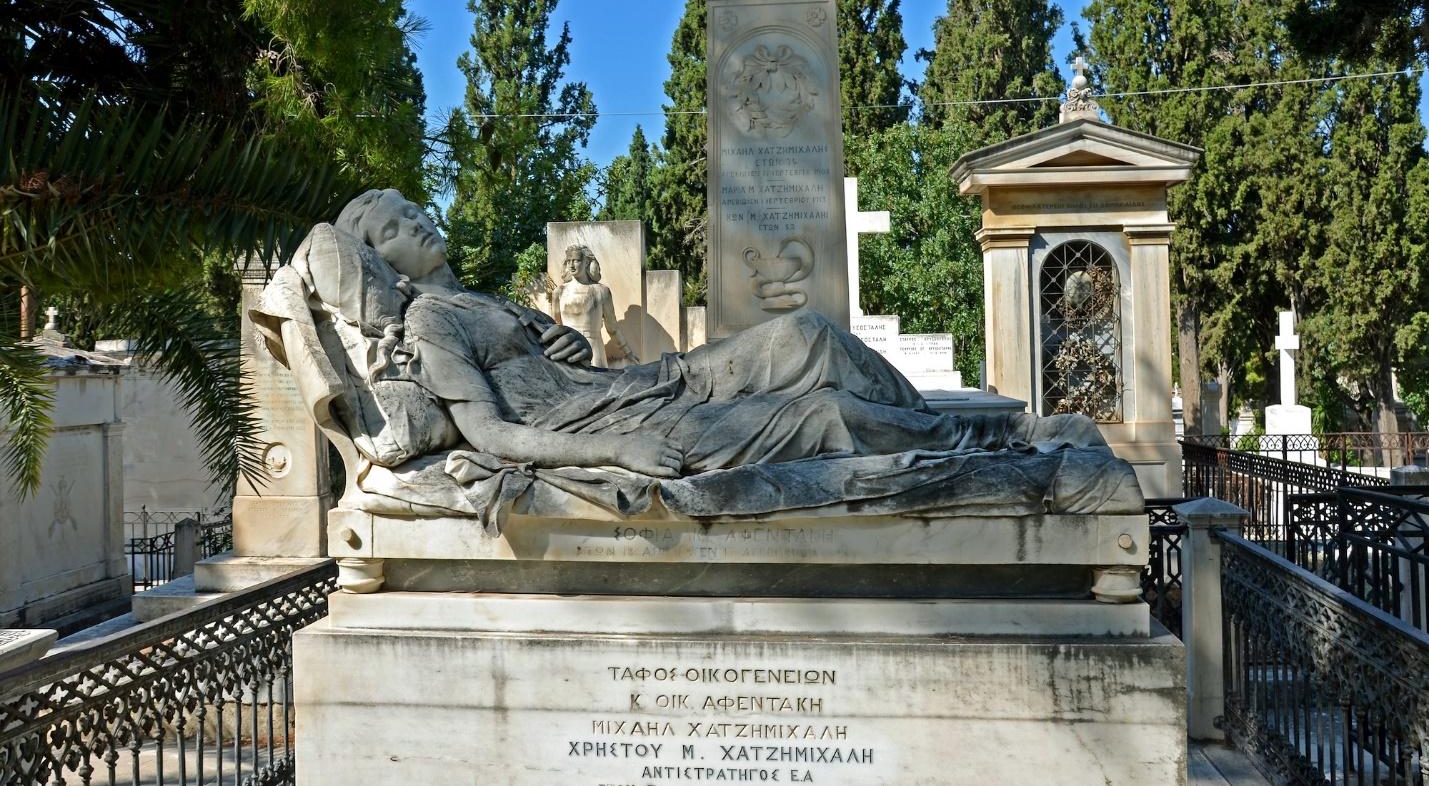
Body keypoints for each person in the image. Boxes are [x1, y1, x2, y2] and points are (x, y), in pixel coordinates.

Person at [326, 189, 1122, 489]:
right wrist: (617, 457)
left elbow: (554, 364)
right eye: (398, 226)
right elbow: (492, 431)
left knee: (810, 336)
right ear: (378, 258)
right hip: (619, 428)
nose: (421, 223)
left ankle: (986, 432)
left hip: (634, 386)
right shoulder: (431, 321)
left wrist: (558, 347)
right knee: (823, 416)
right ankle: (999, 450)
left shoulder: (481, 299)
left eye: (415, 209)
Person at [554, 245, 638, 368]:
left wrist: (628, 352)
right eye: (568, 261)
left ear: (587, 262)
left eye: (576, 260)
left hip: (593, 349)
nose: (571, 265)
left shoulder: (601, 291)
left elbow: (612, 328)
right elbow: (556, 325)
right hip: (567, 349)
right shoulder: (559, 292)